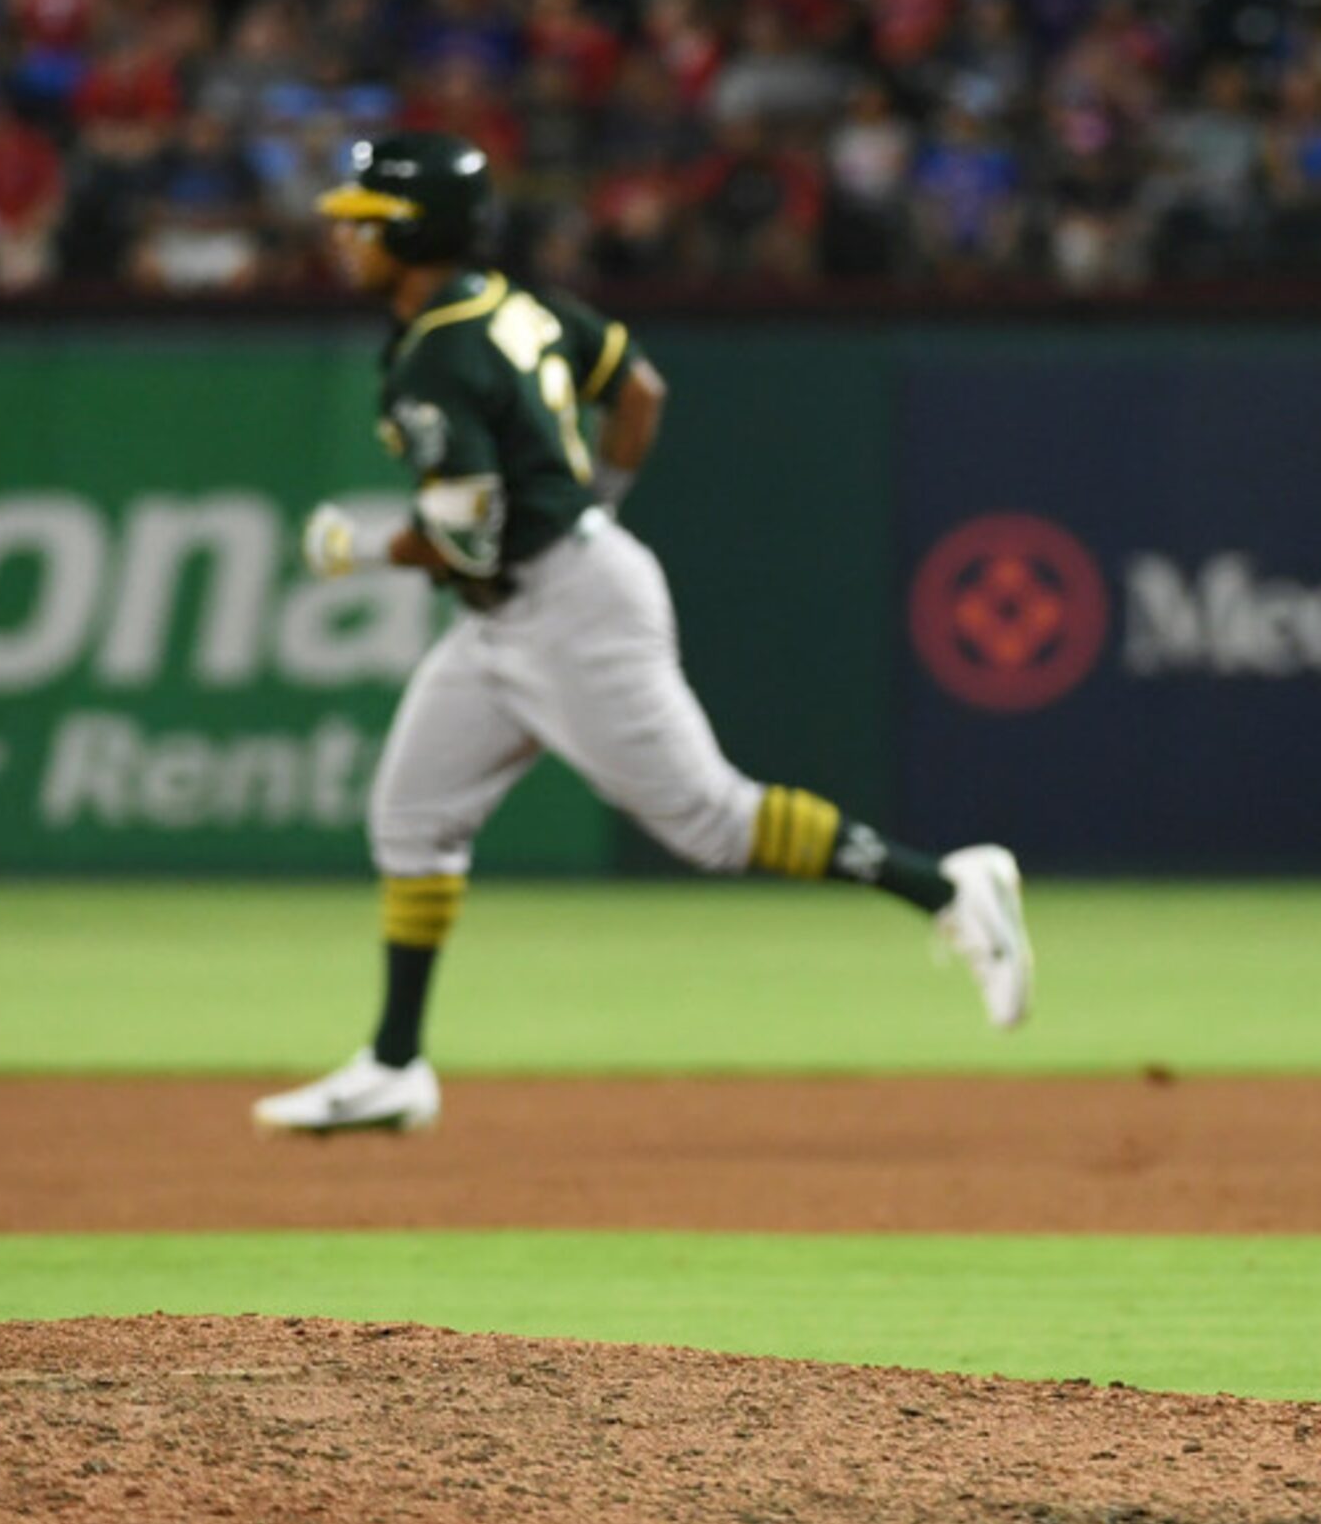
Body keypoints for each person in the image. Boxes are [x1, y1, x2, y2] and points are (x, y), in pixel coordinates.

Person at [252, 131, 1033, 1134]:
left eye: (365, 224)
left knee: (711, 824)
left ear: (414, 231)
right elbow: (638, 389)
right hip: (522, 610)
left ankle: (946, 886)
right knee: (411, 821)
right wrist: (598, 502)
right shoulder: (511, 305)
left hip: (564, 609)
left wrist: (354, 550)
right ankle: (395, 1066)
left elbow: (472, 538)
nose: (346, 241)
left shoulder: (438, 352)